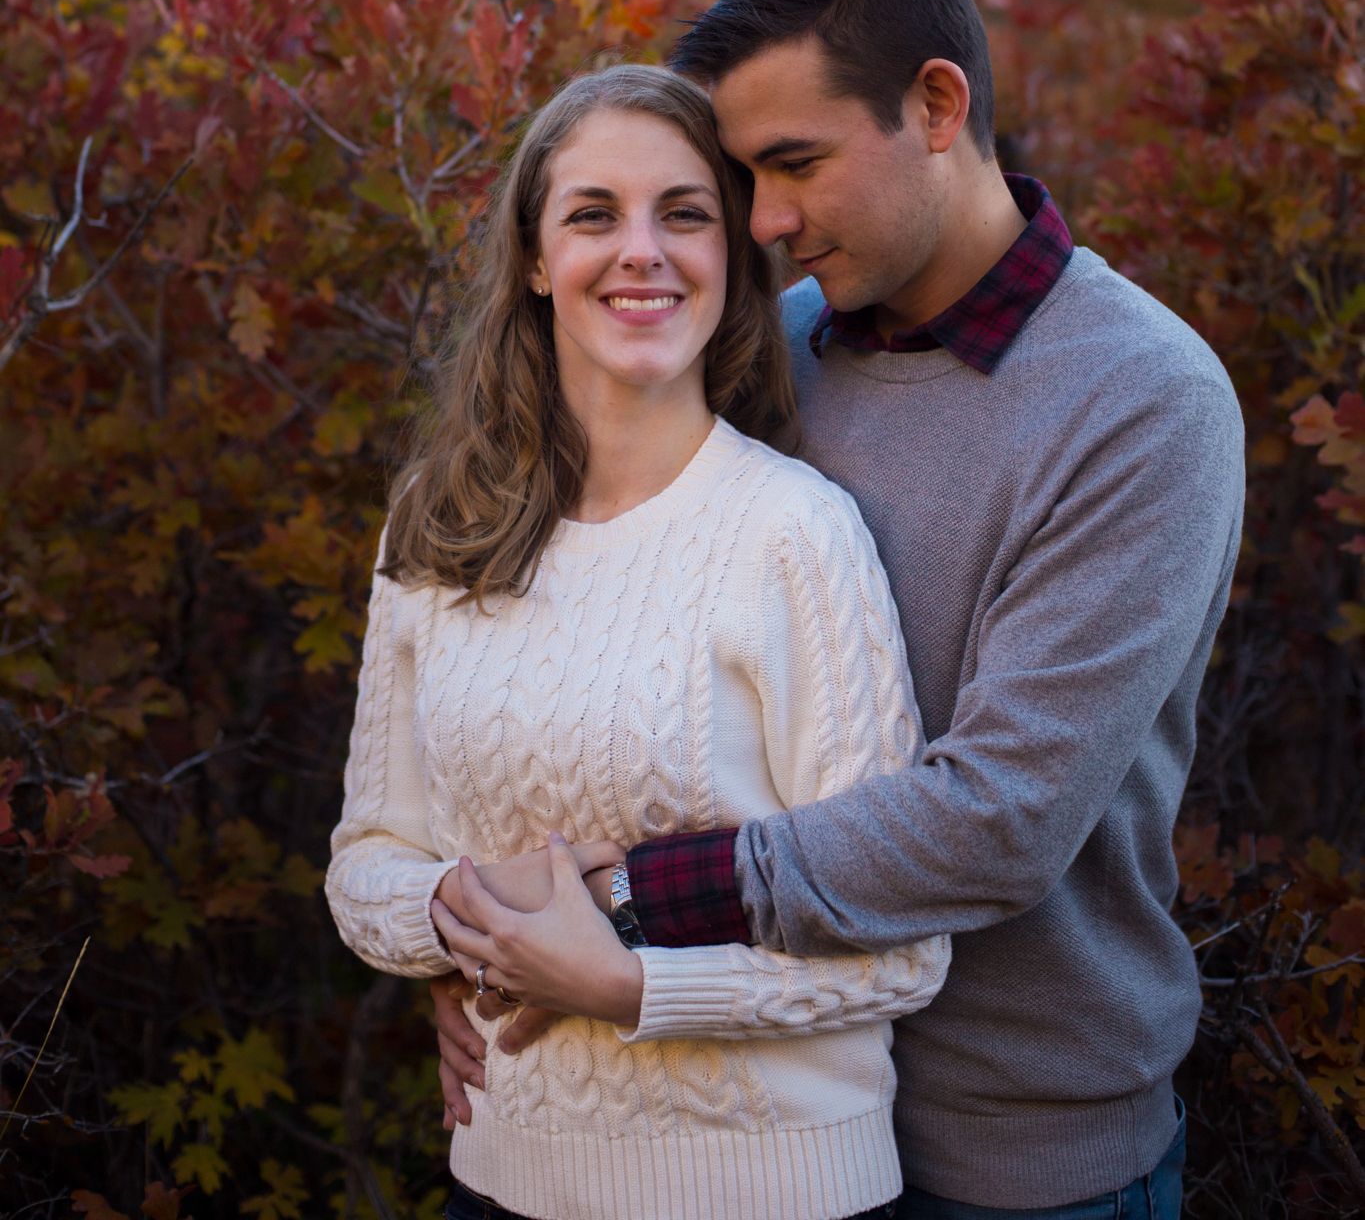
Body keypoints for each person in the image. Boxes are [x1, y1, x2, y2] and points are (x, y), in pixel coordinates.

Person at [432, 0, 1246, 1220]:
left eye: (794, 164)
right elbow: (592, 652)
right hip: (743, 1109)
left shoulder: (1142, 403)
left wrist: (619, 910)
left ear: (935, 105)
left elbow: (1000, 820)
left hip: (999, 1162)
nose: (763, 222)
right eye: (742, 176)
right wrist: (486, 942)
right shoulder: (778, 353)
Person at [326, 63, 951, 1220]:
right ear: (532, 255)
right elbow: (367, 863)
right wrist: (473, 924)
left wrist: (623, 981)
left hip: (777, 1195)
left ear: (733, 254)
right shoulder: (438, 522)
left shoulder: (794, 535)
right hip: (506, 1183)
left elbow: (902, 947)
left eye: (686, 212)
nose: (642, 251)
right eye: (594, 213)